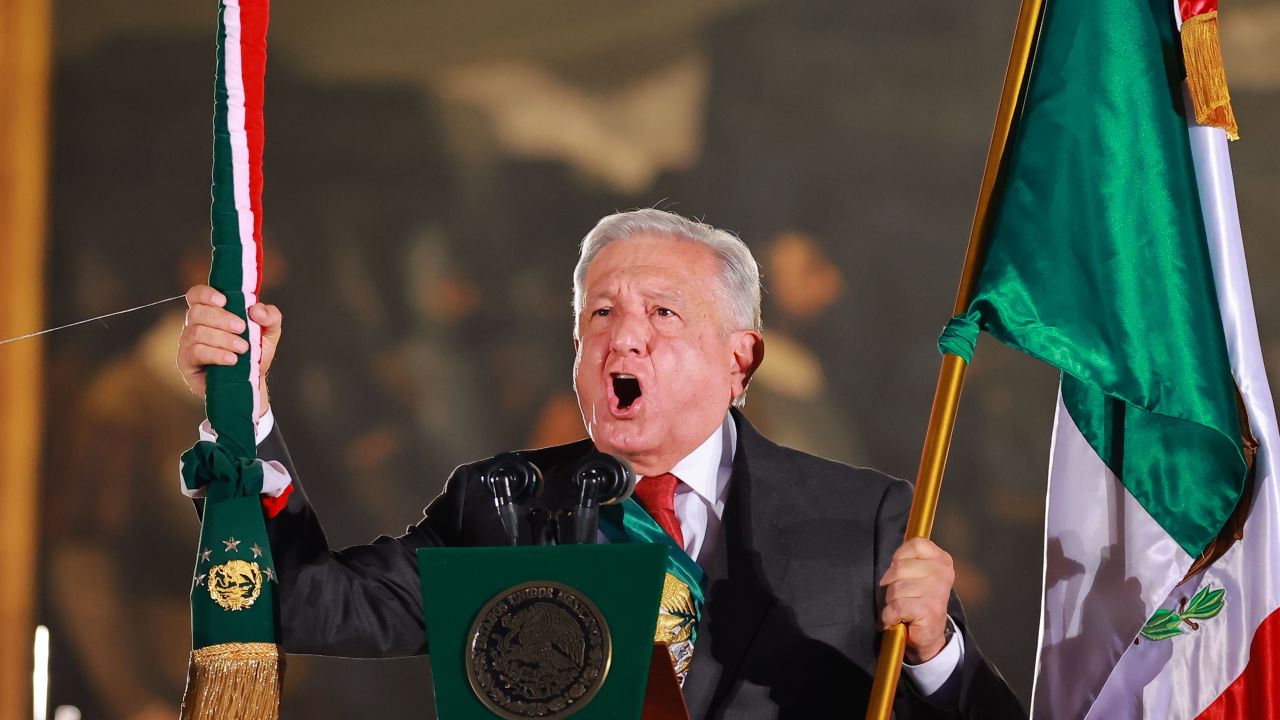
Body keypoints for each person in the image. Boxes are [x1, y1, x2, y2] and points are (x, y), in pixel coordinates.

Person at [177, 209, 1025, 718]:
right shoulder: (501, 504)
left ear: (742, 360)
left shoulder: (862, 516)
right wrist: (241, 412)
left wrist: (934, 651)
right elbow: (310, 606)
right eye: (601, 314)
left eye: (663, 312)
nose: (624, 335)